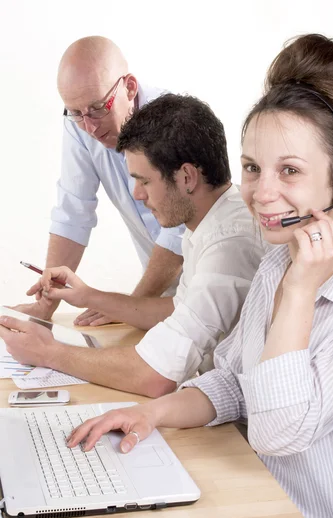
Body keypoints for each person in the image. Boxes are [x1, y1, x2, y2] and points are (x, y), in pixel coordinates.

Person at [61, 35, 333, 518]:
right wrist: (153, 414)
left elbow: (276, 431)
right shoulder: (274, 267)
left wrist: (297, 293)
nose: (262, 193)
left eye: (289, 170)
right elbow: (234, 381)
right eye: (251, 168)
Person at [0, 94, 265, 397]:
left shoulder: (228, 247)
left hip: (239, 427)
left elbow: (156, 375)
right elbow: (179, 310)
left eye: (144, 181)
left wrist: (48, 352)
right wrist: (89, 296)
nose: (137, 195)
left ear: (187, 176)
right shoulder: (214, 219)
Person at [14, 36, 185, 326]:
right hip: (156, 294)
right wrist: (47, 305)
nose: (90, 126)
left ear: (129, 87)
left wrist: (127, 306)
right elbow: (72, 213)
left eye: (98, 108)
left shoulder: (174, 123)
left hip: (207, 285)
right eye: (76, 113)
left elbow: (178, 232)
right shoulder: (80, 123)